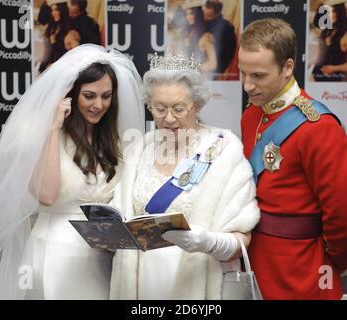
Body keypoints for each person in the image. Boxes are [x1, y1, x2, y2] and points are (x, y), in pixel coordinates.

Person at [0, 44, 145, 299]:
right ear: (70, 94)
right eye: (89, 95)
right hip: (53, 254)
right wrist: (52, 128)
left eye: (106, 96)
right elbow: (46, 195)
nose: (99, 104)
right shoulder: (34, 133)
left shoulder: (113, 141)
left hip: (101, 258)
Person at [109, 52, 260, 299]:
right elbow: (122, 217)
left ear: (197, 105)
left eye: (179, 108)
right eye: (159, 109)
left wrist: (206, 242)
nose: (168, 118)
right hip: (142, 284)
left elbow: (242, 240)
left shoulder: (223, 151)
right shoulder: (140, 150)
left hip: (198, 283)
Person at [239, 18, 347, 299]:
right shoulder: (252, 115)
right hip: (252, 263)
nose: (247, 85)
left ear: (288, 68)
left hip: (301, 270)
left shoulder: (319, 128)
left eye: (258, 75)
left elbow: (343, 216)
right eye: (243, 73)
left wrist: (335, 262)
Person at [312, 3, 347, 81]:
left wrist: (333, 69)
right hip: (316, 74)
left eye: (333, 11)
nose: (332, 14)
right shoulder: (326, 31)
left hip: (332, 79)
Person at [180, 1, 217, 78]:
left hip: (200, 80)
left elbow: (213, 64)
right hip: (186, 79)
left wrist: (192, 67)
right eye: (186, 14)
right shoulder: (188, 32)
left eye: (191, 13)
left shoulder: (205, 37)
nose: (188, 17)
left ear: (197, 14)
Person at [202, 0, 237, 77]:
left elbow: (228, 54)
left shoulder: (226, 28)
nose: (205, 18)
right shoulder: (205, 21)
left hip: (215, 68)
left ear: (218, 13)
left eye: (209, 16)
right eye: (204, 15)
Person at [39, 0, 71, 73]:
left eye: (56, 10)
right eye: (52, 10)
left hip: (58, 70)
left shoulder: (69, 29)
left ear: (62, 10)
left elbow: (67, 54)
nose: (53, 13)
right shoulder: (51, 26)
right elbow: (47, 51)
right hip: (45, 68)